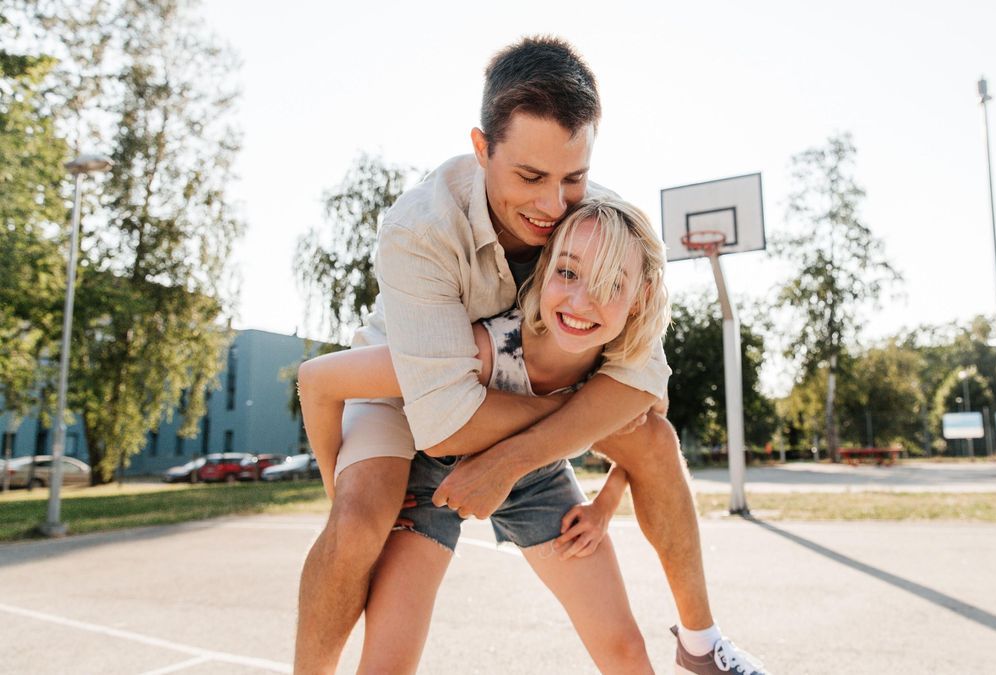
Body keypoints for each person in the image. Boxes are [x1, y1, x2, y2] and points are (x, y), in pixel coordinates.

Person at [293, 36, 770, 675]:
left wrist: (579, 476)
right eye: (530, 177)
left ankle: (701, 641)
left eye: (572, 177)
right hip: (413, 392)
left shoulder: (599, 234)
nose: (552, 205)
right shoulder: (421, 228)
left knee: (650, 436)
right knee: (357, 523)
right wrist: (586, 414)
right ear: (483, 148)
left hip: (519, 413)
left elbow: (641, 382)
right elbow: (441, 418)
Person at [300, 198, 664, 672]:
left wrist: (605, 504)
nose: (580, 303)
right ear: (545, 269)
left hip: (537, 475)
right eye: (568, 274)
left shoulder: (628, 366)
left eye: (610, 283)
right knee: (388, 663)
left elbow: (642, 438)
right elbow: (318, 379)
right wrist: (336, 490)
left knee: (626, 650)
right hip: (433, 476)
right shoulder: (479, 348)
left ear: (640, 295)